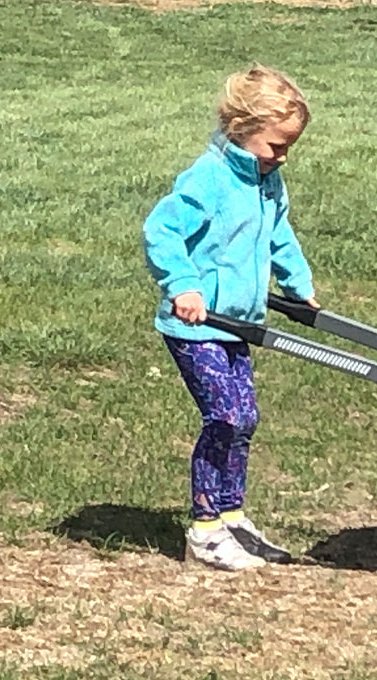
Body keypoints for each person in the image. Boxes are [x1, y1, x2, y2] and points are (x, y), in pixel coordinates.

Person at [142, 64, 318, 571]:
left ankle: (231, 516)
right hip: (196, 324)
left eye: (288, 147)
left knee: (246, 421)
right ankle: (203, 531)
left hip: (238, 323)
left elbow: (278, 234)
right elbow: (161, 231)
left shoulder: (269, 181)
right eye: (276, 146)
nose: (282, 157)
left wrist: (298, 284)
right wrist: (183, 286)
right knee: (226, 416)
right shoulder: (210, 178)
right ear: (243, 131)